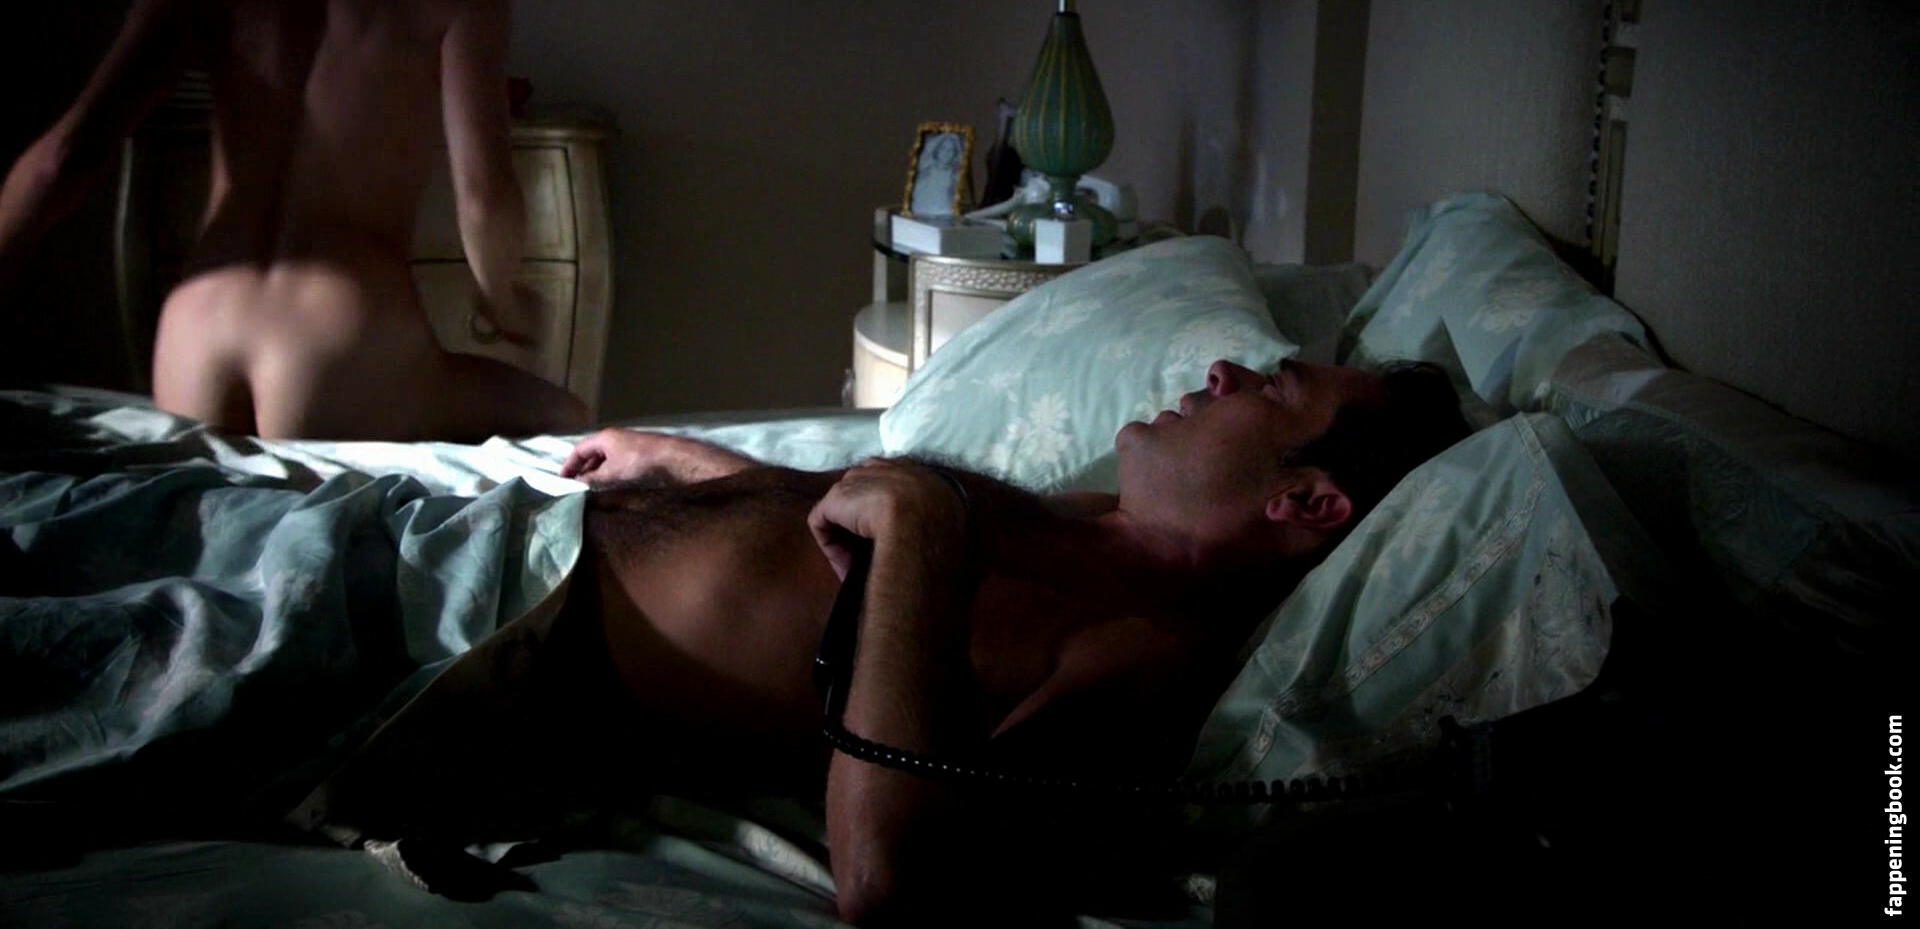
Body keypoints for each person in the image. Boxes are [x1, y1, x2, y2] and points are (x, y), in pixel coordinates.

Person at [300, 356, 1472, 926]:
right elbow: (836, 546)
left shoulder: (1148, 649)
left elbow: (897, 884)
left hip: (459, 638)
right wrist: (711, 476)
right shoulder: (1093, 525)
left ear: (1307, 501)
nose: (1222, 370)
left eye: (1274, 388)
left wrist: (916, 524)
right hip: (476, 535)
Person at [0, 0, 588, 441]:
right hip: (340, 335)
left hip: (196, 335)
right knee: (566, 418)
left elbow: (62, 159)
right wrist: (502, 303)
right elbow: (483, 197)